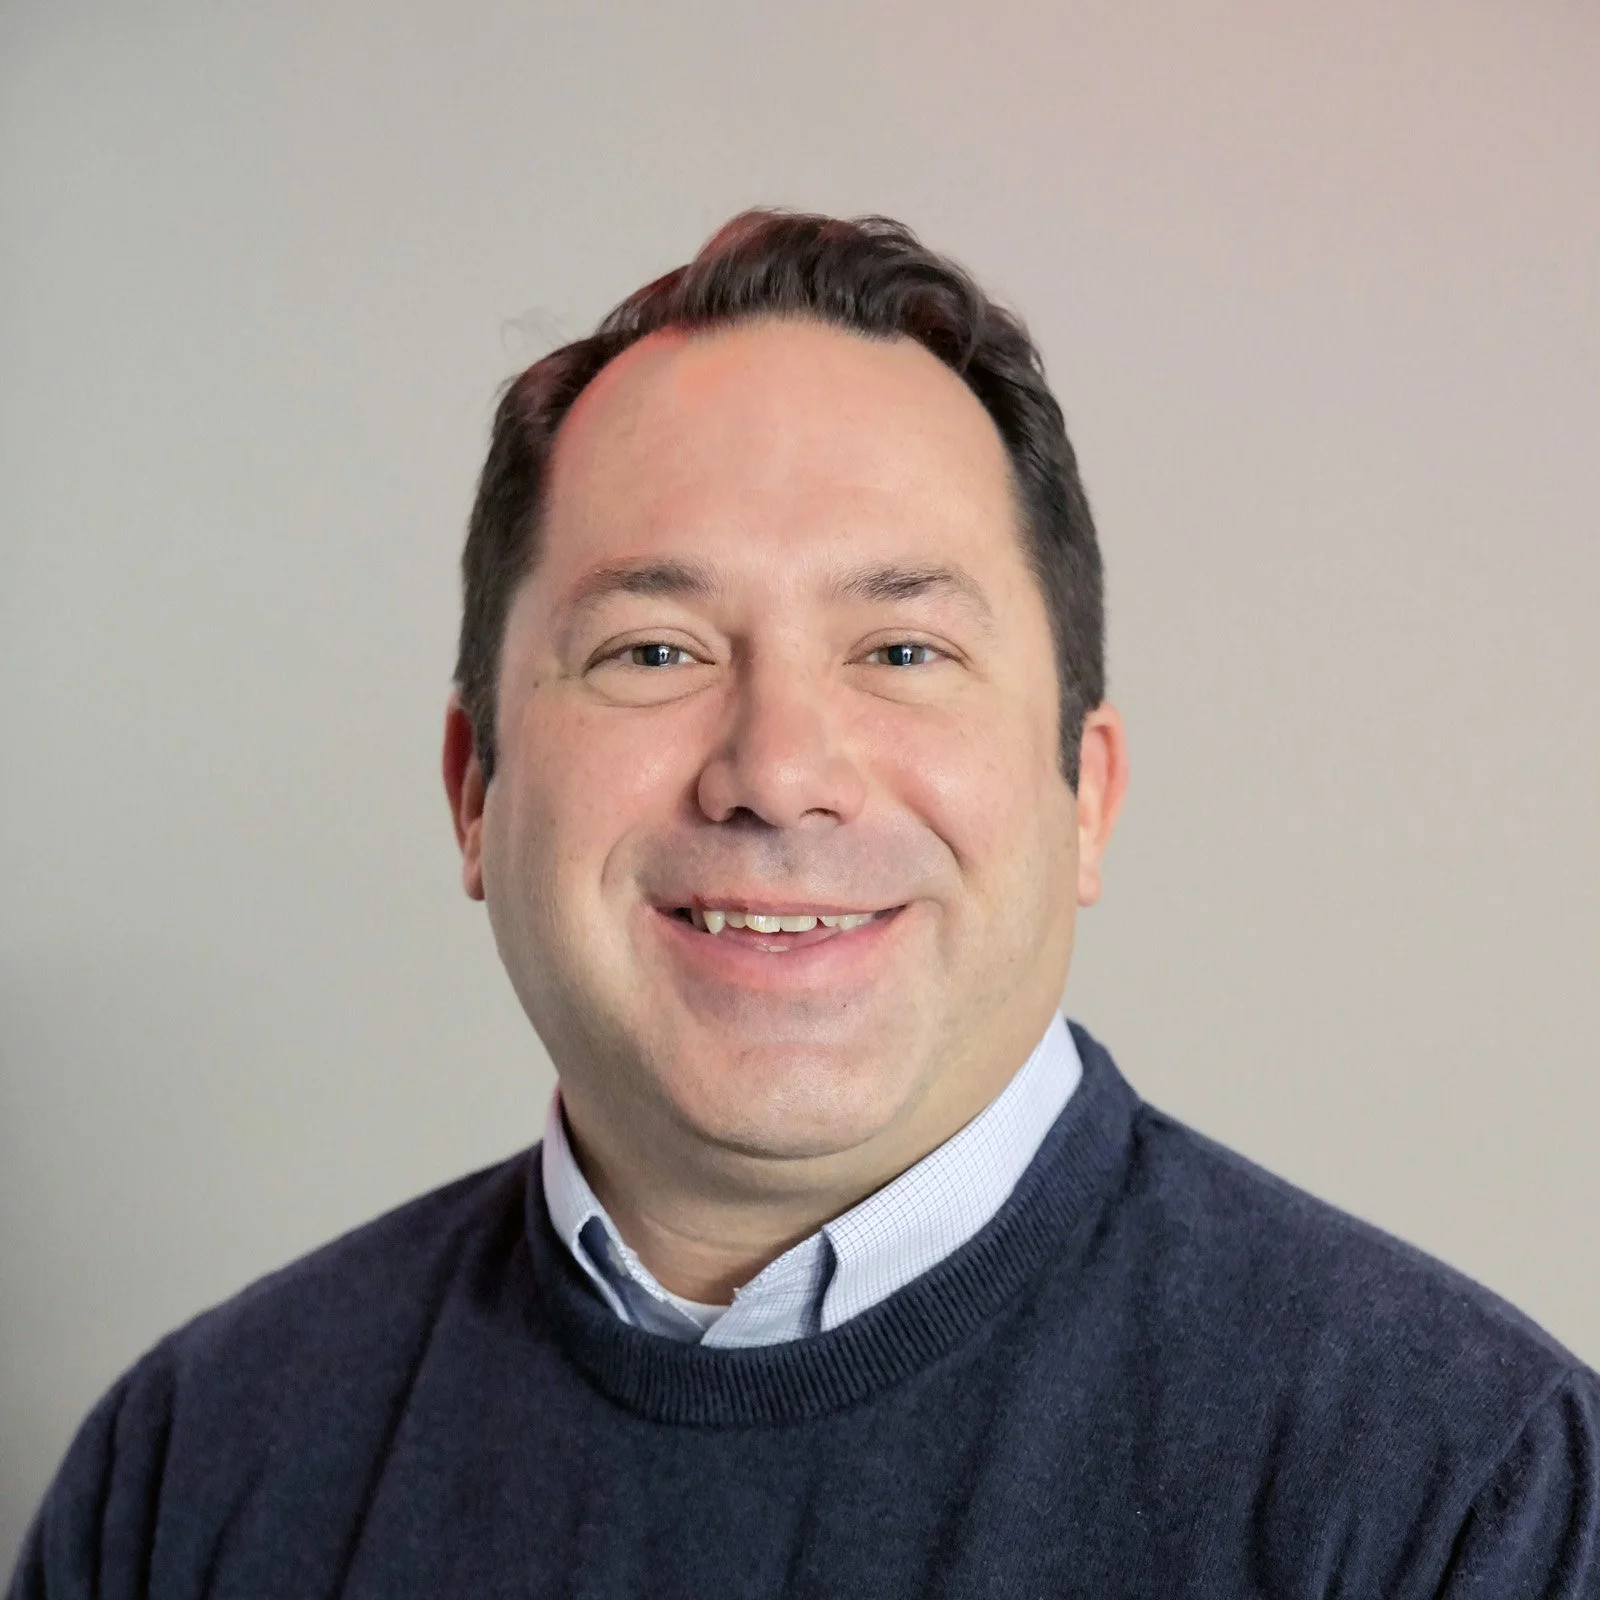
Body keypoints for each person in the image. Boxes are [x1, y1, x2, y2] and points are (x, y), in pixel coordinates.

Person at [10, 209, 1598, 1599]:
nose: (776, 771)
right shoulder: (199, 1469)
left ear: (1085, 795)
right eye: (654, 651)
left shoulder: (1460, 1495)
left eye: (902, 652)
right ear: (474, 789)